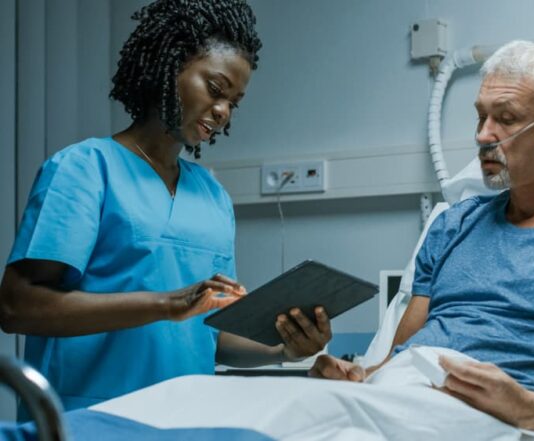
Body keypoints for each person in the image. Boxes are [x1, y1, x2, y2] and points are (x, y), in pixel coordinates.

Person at [309, 40, 534, 440]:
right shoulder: (454, 226)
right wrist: (355, 377)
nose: (484, 135)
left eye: (505, 118)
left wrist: (526, 407)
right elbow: (401, 358)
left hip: (494, 421)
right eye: (481, 117)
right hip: (404, 398)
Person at [0, 0, 330, 412]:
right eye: (215, 89)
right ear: (168, 67)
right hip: (88, 420)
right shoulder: (84, 170)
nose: (224, 111)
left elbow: (208, 334)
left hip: (184, 420)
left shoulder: (213, 197)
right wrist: (166, 303)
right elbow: (17, 307)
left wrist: (284, 347)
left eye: (235, 102)